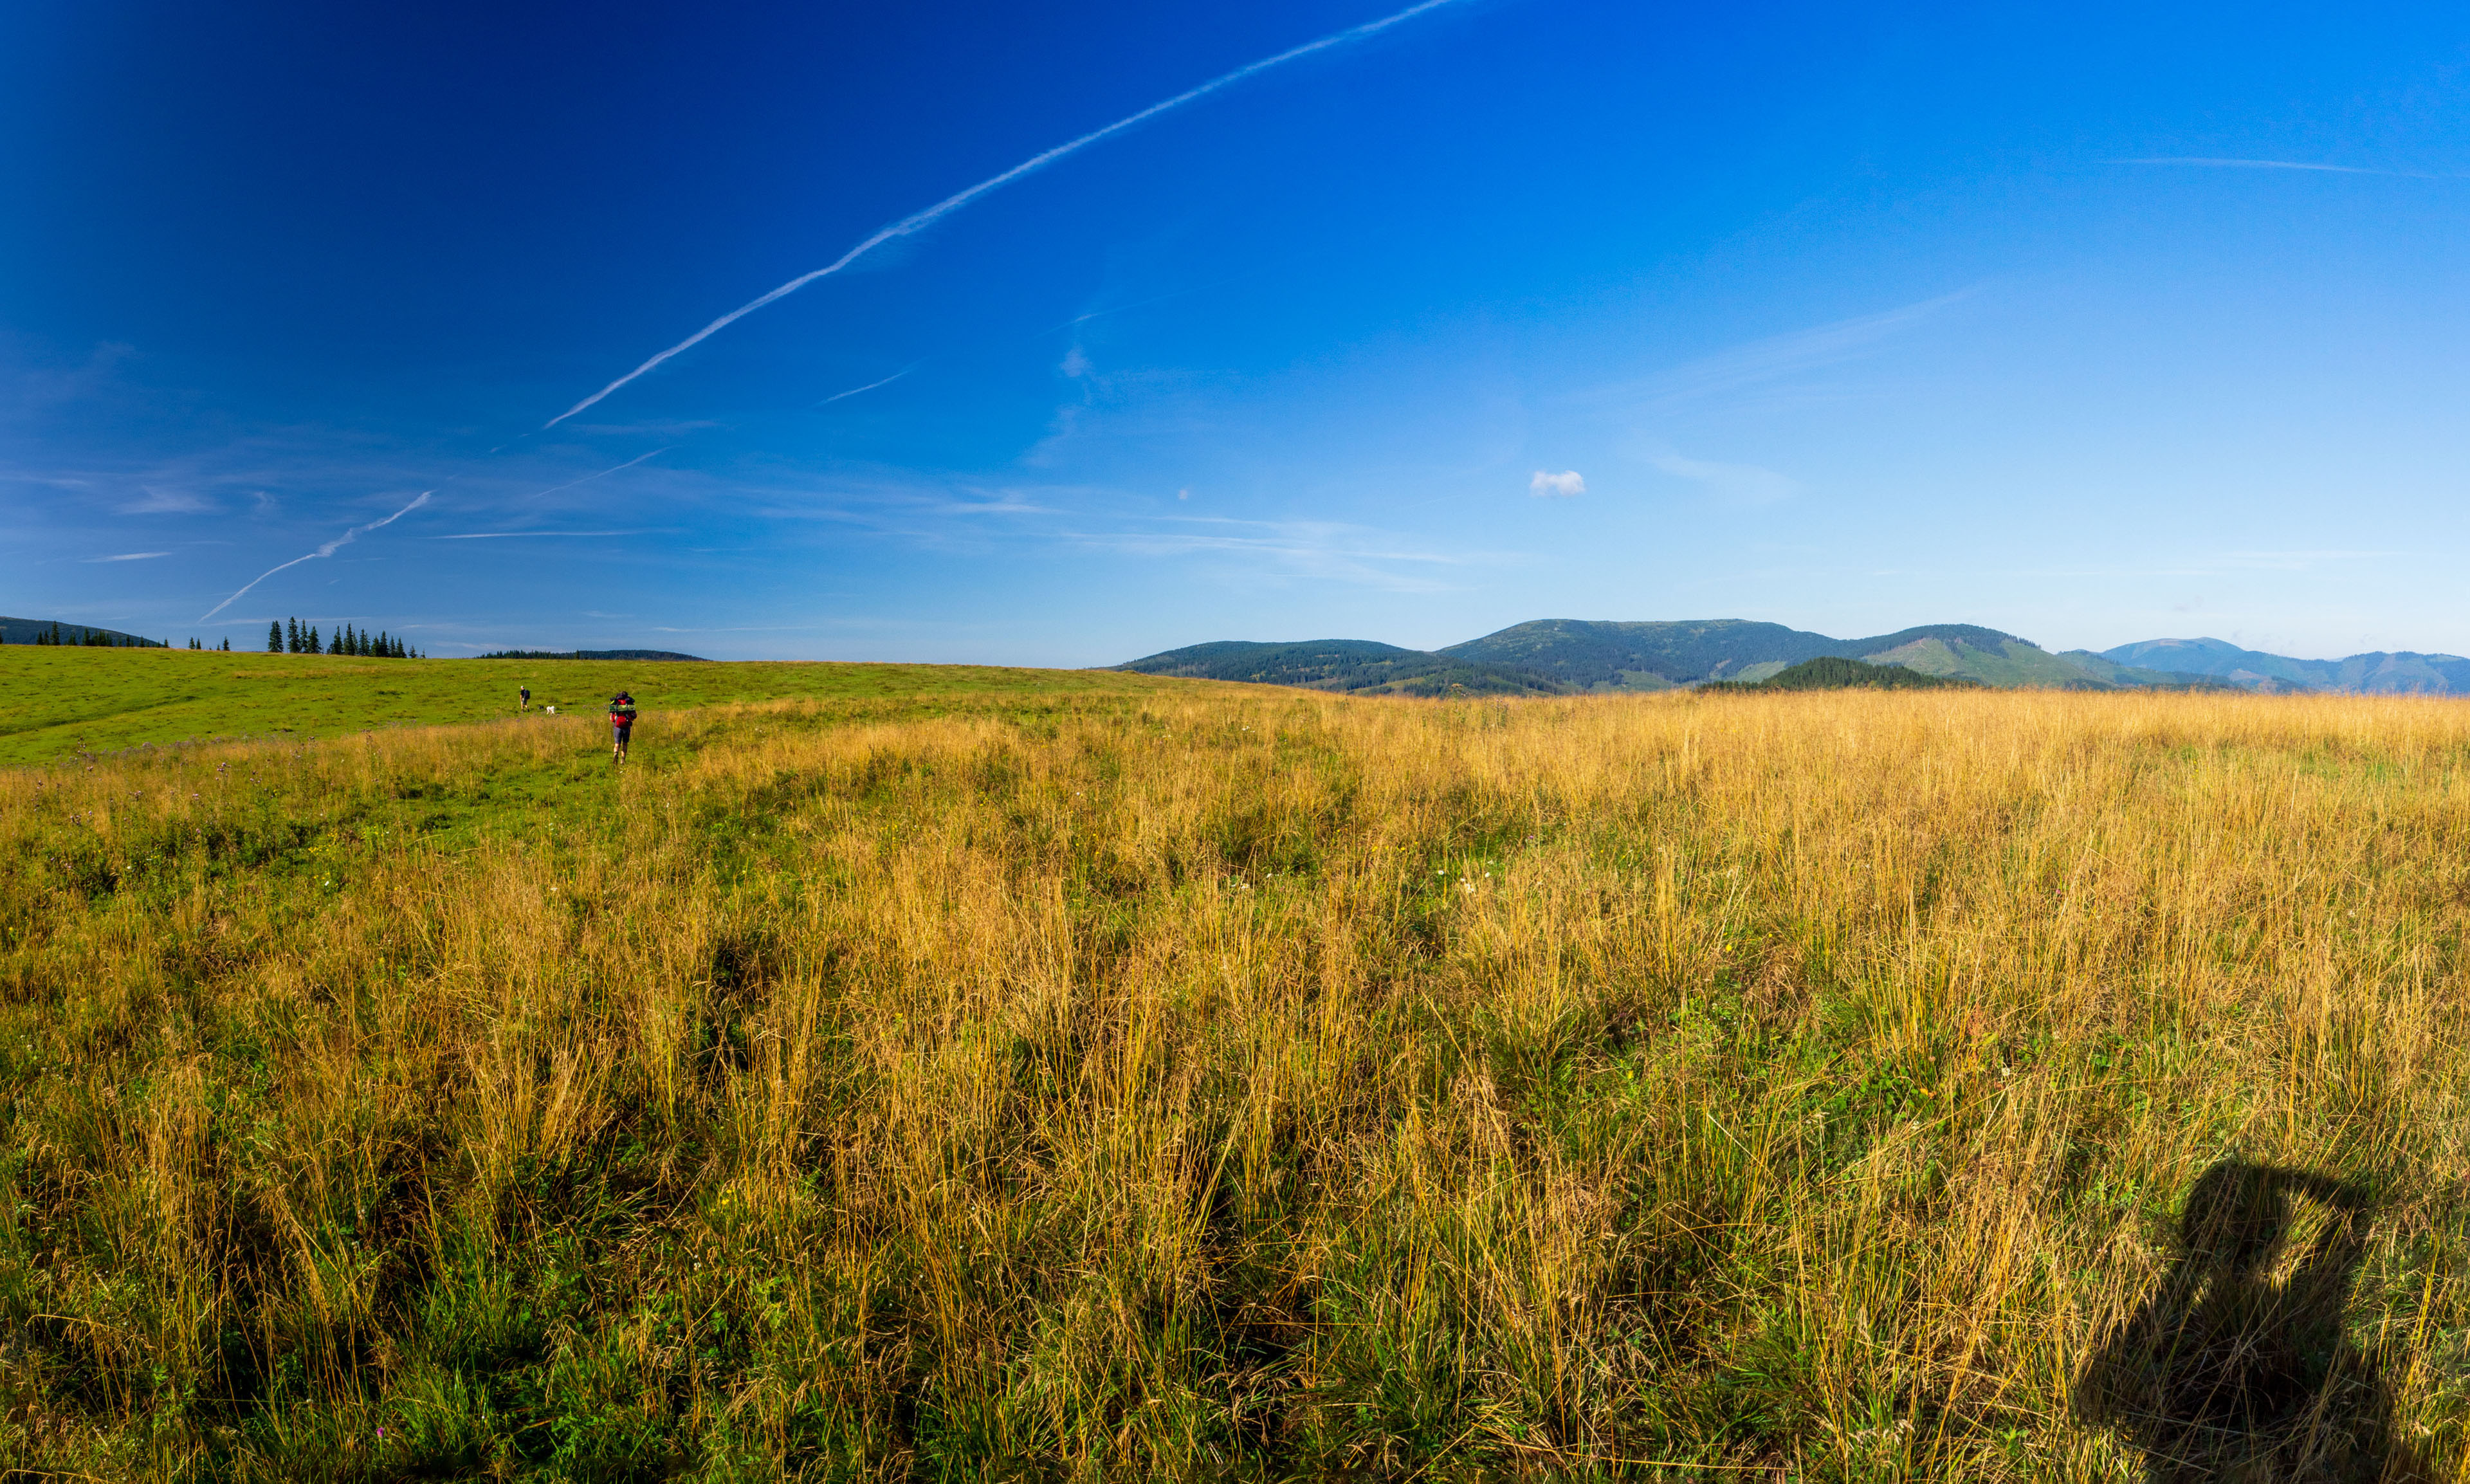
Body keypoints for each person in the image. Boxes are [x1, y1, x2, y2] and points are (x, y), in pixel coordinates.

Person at [608, 691, 637, 764]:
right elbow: (634, 716)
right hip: (627, 726)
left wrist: (614, 719)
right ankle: (623, 760)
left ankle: (616, 753)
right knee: (625, 744)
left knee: (617, 744)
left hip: (617, 726)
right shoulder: (629, 703)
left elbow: (611, 718)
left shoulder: (616, 703)